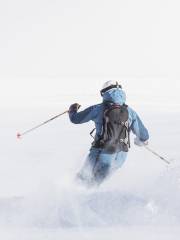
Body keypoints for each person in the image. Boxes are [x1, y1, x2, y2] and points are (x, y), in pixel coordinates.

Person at [68, 80, 149, 187]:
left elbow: (76, 119)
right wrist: (140, 141)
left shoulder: (97, 109)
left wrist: (72, 109)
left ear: (104, 93)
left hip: (101, 153)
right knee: (96, 184)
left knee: (82, 181)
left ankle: (70, 200)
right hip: (120, 157)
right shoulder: (130, 111)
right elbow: (144, 136)